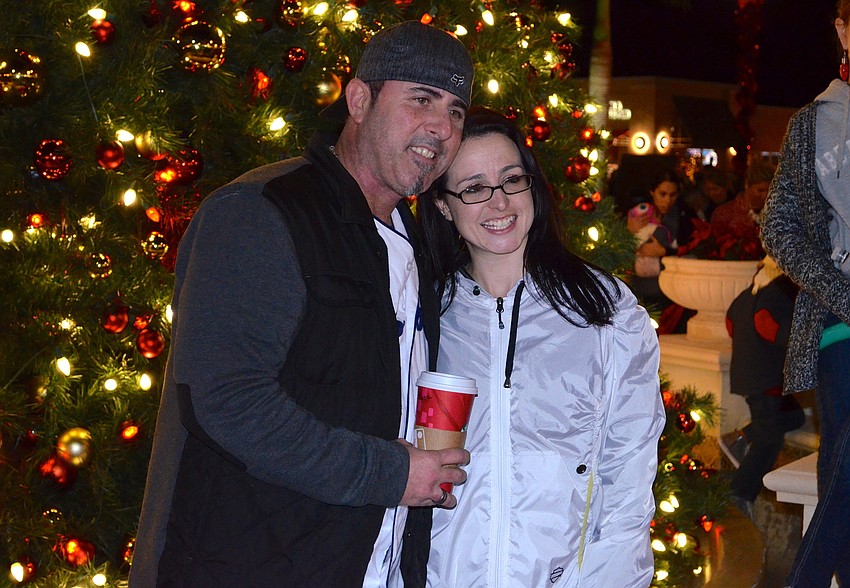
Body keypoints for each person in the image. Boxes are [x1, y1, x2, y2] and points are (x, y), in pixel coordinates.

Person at [129, 21, 474, 588]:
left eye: (457, 111)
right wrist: (391, 474)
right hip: (246, 565)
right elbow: (227, 400)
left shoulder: (413, 241)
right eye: (421, 98)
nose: (441, 127)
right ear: (359, 99)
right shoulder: (261, 213)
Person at [418, 108, 666, 586]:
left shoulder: (605, 310)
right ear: (443, 205)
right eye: (473, 188)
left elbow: (629, 479)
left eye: (512, 179)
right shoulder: (423, 313)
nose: (499, 202)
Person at [760, 2, 850, 585]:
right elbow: (780, 226)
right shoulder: (815, 123)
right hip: (842, 327)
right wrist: (843, 294)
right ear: (843, 29)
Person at [719, 255, 804, 519]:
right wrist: (796, 346)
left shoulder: (750, 293)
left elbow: (731, 320)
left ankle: (741, 437)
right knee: (769, 441)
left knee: (795, 417)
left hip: (751, 374)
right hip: (765, 377)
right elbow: (768, 327)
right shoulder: (778, 292)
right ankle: (740, 494)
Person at [626, 169, 695, 309]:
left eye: (673, 195)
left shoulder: (685, 218)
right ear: (652, 192)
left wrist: (665, 251)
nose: (667, 200)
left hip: (671, 290)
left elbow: (695, 252)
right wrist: (628, 232)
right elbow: (619, 250)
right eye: (662, 194)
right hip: (638, 287)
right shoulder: (640, 213)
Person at [711, 159, 776, 240]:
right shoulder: (724, 213)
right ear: (747, 185)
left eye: (770, 191)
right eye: (760, 190)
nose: (765, 195)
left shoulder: (775, 214)